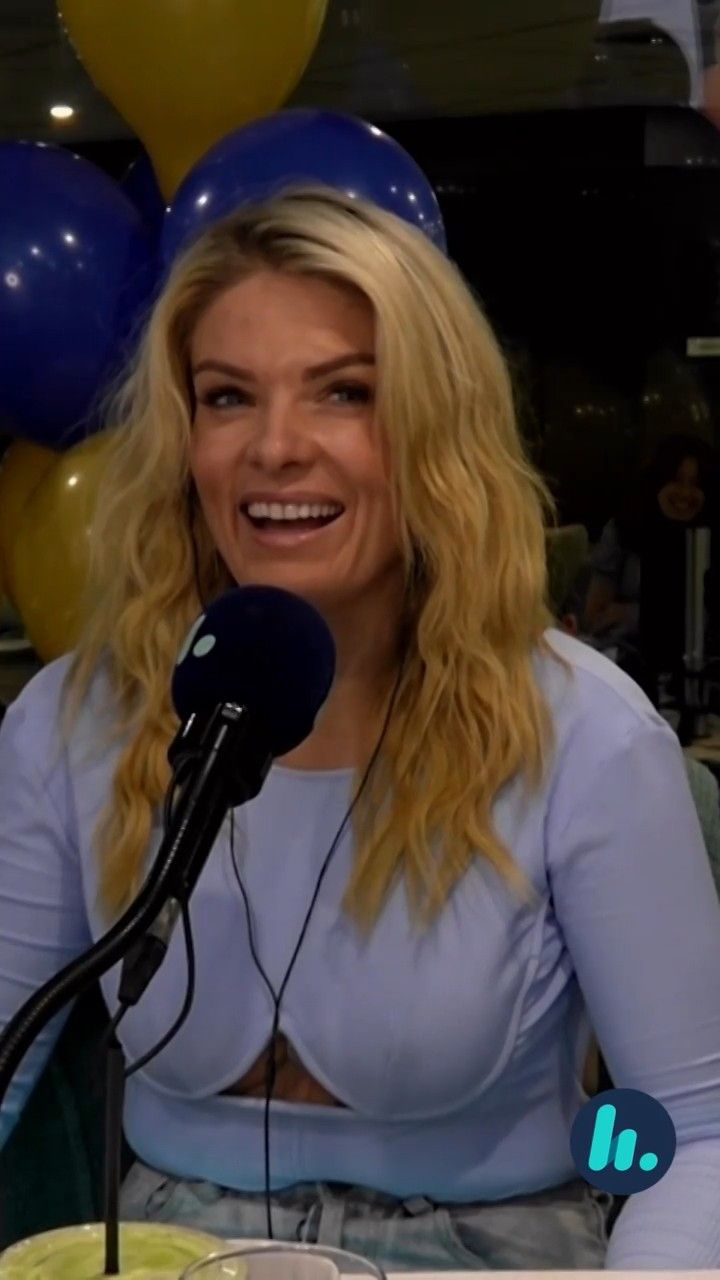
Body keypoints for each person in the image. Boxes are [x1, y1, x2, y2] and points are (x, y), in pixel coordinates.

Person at [1, 187, 719, 1272]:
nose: (275, 447)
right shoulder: (77, 720)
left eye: (344, 392)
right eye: (227, 397)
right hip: (166, 1249)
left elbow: (692, 1135)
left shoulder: (585, 734)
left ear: (435, 432)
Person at [583, 432, 718, 690]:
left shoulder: (711, 538)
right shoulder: (624, 530)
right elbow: (595, 618)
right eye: (676, 480)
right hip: (627, 669)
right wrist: (656, 616)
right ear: (657, 481)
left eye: (696, 484)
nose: (685, 493)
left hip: (699, 676)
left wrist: (628, 613)